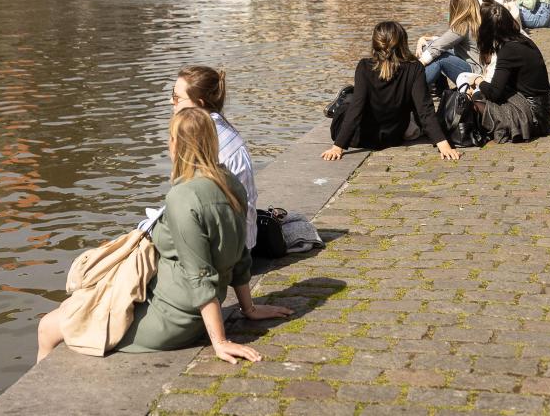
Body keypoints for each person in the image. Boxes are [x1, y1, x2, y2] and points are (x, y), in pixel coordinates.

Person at [35, 107, 292, 363]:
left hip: (170, 318)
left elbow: (199, 276)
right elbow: (240, 256)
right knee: (75, 308)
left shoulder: (183, 198)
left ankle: (38, 402)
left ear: (175, 144)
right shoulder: (230, 183)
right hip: (185, 309)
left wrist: (220, 342)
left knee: (48, 327)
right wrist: (249, 309)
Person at [322, 21, 460, 162]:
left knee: (349, 102)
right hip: (392, 137)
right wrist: (443, 144)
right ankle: (346, 96)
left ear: (375, 43)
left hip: (361, 137)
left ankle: (341, 100)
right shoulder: (415, 68)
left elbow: (356, 109)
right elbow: (424, 109)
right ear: (403, 41)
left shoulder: (364, 66)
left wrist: (338, 146)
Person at [170, 67, 258, 250]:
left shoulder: (205, 138)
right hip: (235, 238)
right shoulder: (213, 126)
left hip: (228, 248)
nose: (172, 101)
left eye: (177, 97)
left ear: (199, 103)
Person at [466, 0, 550, 143]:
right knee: (479, 95)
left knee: (475, 101)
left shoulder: (508, 50)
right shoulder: (522, 39)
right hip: (543, 110)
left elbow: (494, 93)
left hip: (534, 116)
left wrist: (477, 81)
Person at [417, 0, 484, 89]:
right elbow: (444, 41)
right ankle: (437, 89)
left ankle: (414, 88)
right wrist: (423, 40)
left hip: (475, 72)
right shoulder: (477, 21)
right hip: (477, 66)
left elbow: (438, 47)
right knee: (428, 46)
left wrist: (414, 68)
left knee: (439, 58)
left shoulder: (463, 25)